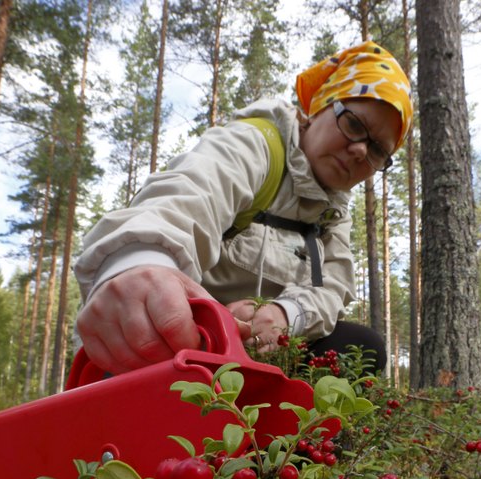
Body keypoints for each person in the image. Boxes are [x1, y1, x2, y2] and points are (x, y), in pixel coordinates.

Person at [73, 40, 413, 376]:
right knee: (151, 336)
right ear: (319, 108)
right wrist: (141, 263)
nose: (359, 151)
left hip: (261, 353)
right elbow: (188, 196)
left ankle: (277, 414)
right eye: (354, 125)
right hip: (184, 337)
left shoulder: (334, 214)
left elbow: (333, 290)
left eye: (377, 151)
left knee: (362, 345)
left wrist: (285, 313)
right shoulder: (254, 145)